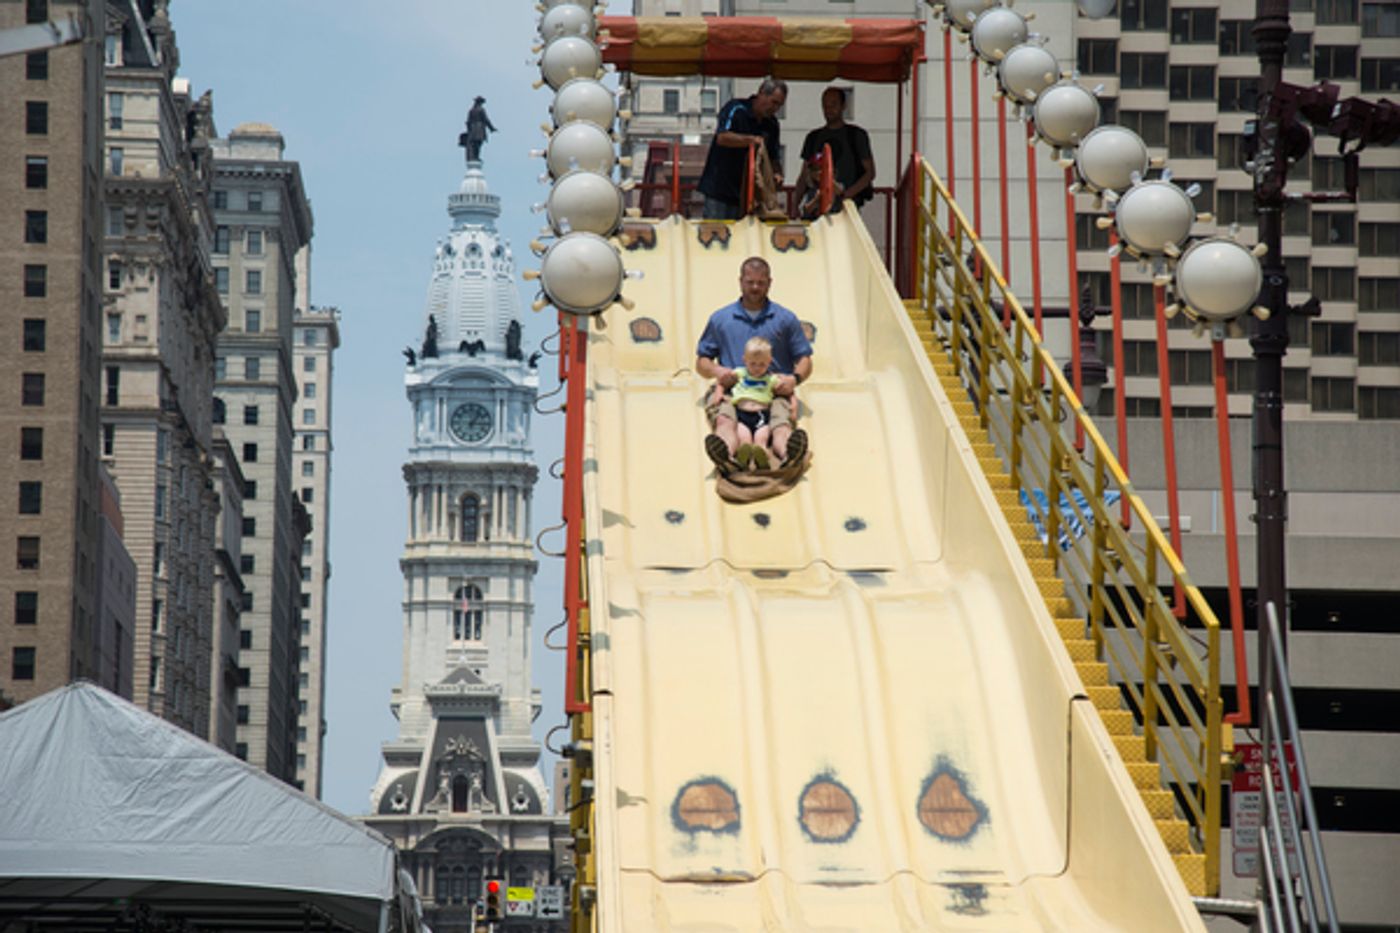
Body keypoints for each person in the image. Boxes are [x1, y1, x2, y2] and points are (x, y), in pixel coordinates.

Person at [696, 257, 813, 475]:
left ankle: (790, 453)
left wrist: (794, 379)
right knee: (724, 420)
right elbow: (702, 361)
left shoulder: (785, 319)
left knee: (781, 424)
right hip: (735, 389)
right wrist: (717, 371)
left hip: (773, 389)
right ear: (740, 281)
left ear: (770, 282)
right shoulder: (721, 319)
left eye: (761, 282)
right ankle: (726, 456)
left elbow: (805, 359)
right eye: (750, 282)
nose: (755, 287)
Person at [696, 78, 789, 221]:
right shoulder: (736, 109)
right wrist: (750, 141)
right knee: (716, 233)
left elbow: (773, 156)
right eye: (774, 102)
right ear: (761, 94)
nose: (775, 109)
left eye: (779, 106)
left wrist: (777, 173)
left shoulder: (772, 124)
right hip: (719, 189)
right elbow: (722, 137)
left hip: (747, 194)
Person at [707, 336, 787, 470]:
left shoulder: (771, 379)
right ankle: (741, 460)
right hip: (741, 415)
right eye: (753, 363)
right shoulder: (740, 373)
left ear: (769, 362)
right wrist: (719, 393)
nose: (757, 368)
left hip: (762, 416)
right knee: (744, 440)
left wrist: (794, 406)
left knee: (760, 440)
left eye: (762, 364)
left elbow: (788, 391)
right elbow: (721, 382)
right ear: (745, 360)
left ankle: (762, 460)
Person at [794, 87, 875, 219]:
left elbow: (869, 173)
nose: (828, 109)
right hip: (815, 208)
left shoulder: (856, 135)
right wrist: (795, 205)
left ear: (843, 106)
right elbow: (804, 175)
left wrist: (846, 196)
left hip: (846, 210)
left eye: (833, 104)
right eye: (825, 105)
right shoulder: (813, 137)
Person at [461, 96, 496, 163]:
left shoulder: (471, 111)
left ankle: (475, 157)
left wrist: (469, 130)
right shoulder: (481, 110)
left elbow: (468, 122)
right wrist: (492, 128)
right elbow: (486, 120)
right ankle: (476, 157)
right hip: (479, 129)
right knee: (478, 143)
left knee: (474, 144)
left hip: (472, 129)